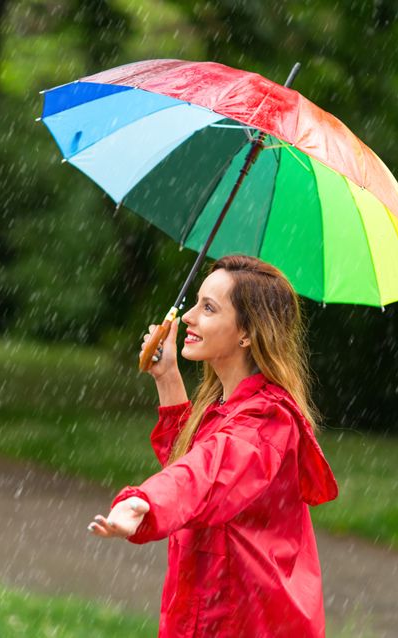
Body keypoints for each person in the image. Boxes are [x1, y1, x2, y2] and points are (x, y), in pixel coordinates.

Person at [87, 255, 339, 637]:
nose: (188, 317)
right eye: (196, 303)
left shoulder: (266, 422)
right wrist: (168, 377)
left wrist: (147, 502)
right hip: (208, 609)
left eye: (208, 308)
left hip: (246, 621)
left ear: (246, 333)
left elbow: (205, 474)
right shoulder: (226, 408)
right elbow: (193, 464)